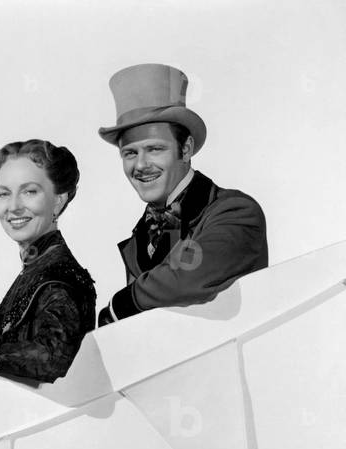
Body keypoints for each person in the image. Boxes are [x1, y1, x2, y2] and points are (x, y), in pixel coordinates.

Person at [96, 63, 268, 325]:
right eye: (129, 153)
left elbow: (186, 276)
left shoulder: (236, 212)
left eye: (154, 149)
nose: (140, 165)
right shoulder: (141, 233)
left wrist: (118, 306)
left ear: (185, 149)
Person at [0, 140, 96, 383]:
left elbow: (51, 356)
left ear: (58, 200)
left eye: (30, 191)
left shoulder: (60, 276)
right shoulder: (36, 267)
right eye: (4, 193)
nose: (14, 206)